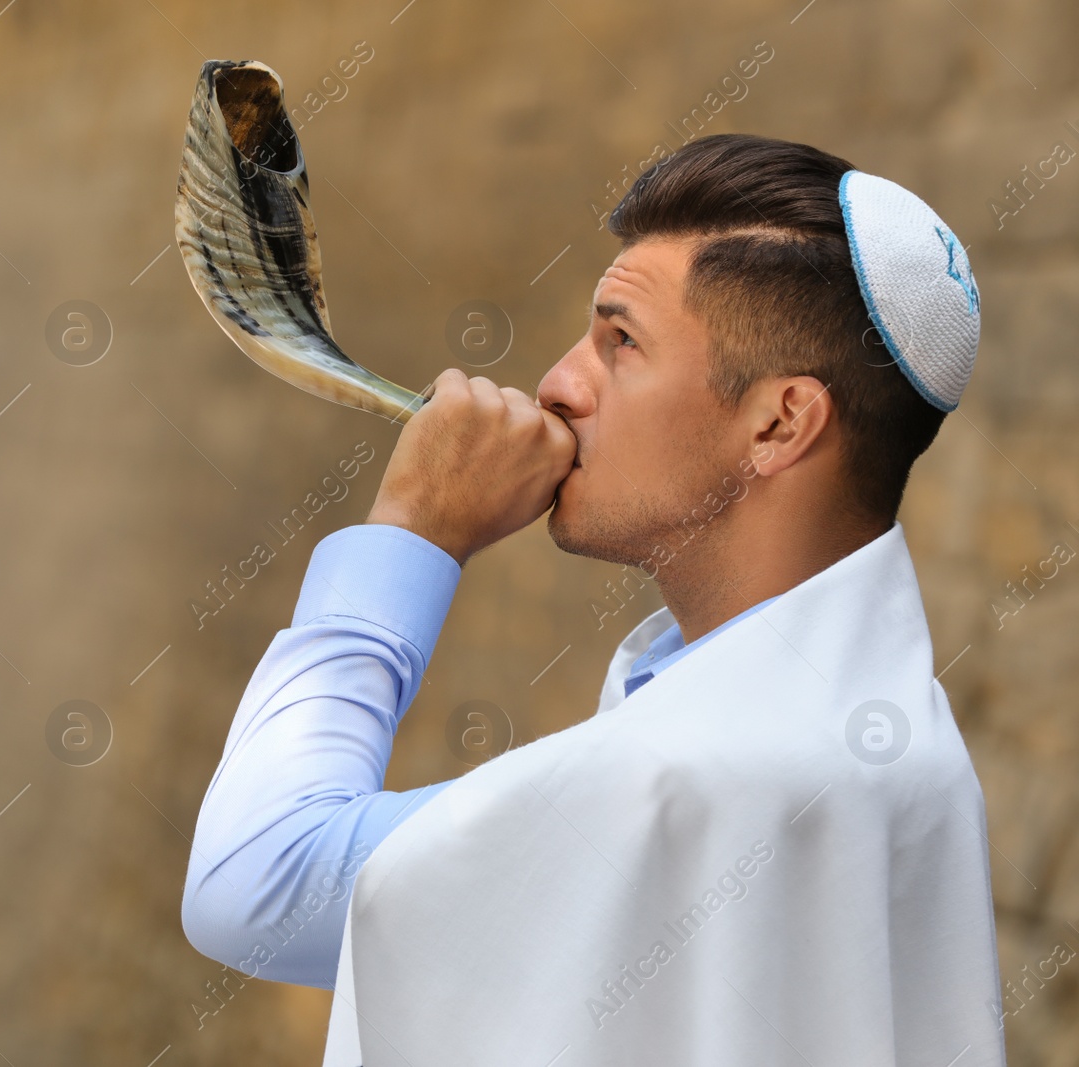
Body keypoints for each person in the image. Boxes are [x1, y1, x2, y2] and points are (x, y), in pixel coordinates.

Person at [181, 134, 1003, 1066]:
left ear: (779, 422)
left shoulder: (694, 778)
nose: (558, 385)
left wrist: (413, 530)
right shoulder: (895, 738)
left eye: (621, 342)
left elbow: (252, 880)